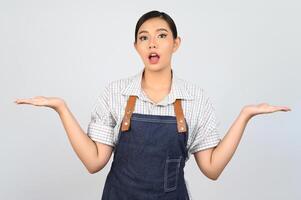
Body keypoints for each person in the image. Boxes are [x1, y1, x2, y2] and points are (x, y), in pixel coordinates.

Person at [14, 10, 291, 200]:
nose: (152, 44)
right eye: (144, 37)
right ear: (136, 46)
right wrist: (61, 108)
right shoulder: (116, 94)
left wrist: (245, 116)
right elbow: (93, 162)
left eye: (161, 35)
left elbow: (212, 169)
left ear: (176, 43)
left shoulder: (195, 99)